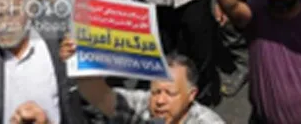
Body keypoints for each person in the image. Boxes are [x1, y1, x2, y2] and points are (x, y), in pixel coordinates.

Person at [70, 53, 225, 124]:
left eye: (170, 93)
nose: (160, 100)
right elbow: (99, 98)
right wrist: (80, 60)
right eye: (156, 92)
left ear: (192, 94)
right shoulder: (143, 105)